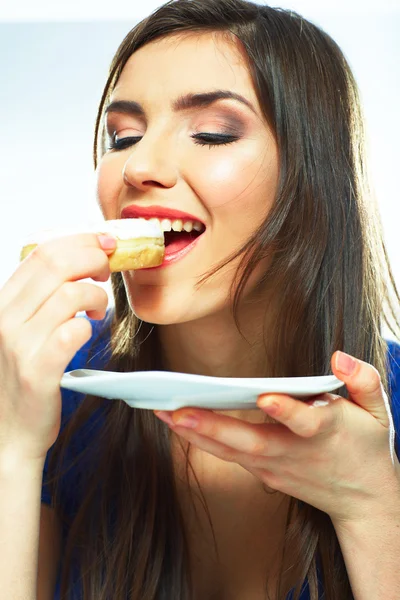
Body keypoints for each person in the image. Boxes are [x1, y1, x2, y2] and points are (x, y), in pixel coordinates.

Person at [1, 0, 400, 598]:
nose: (139, 165)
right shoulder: (60, 396)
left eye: (213, 132)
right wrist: (12, 447)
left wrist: (374, 508)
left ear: (314, 177)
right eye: (123, 136)